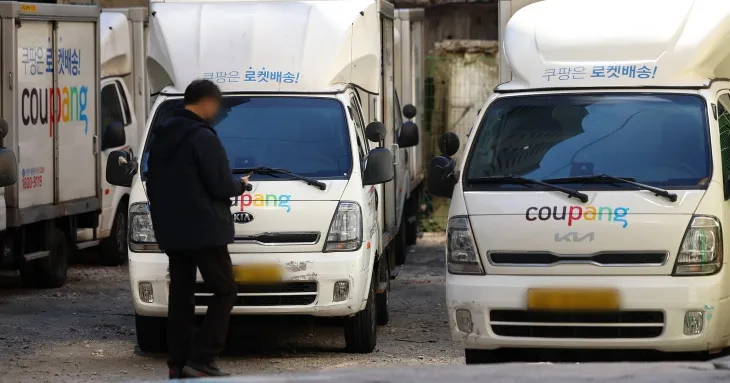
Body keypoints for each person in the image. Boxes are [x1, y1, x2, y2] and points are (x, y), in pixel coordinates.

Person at [145, 79, 248, 379]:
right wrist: (239, 185)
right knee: (225, 289)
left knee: (182, 294)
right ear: (206, 102)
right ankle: (203, 358)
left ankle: (178, 363)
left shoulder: (163, 136)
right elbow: (219, 184)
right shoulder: (202, 136)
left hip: (173, 230)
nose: (217, 112)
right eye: (216, 105)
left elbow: (155, 180)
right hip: (205, 229)